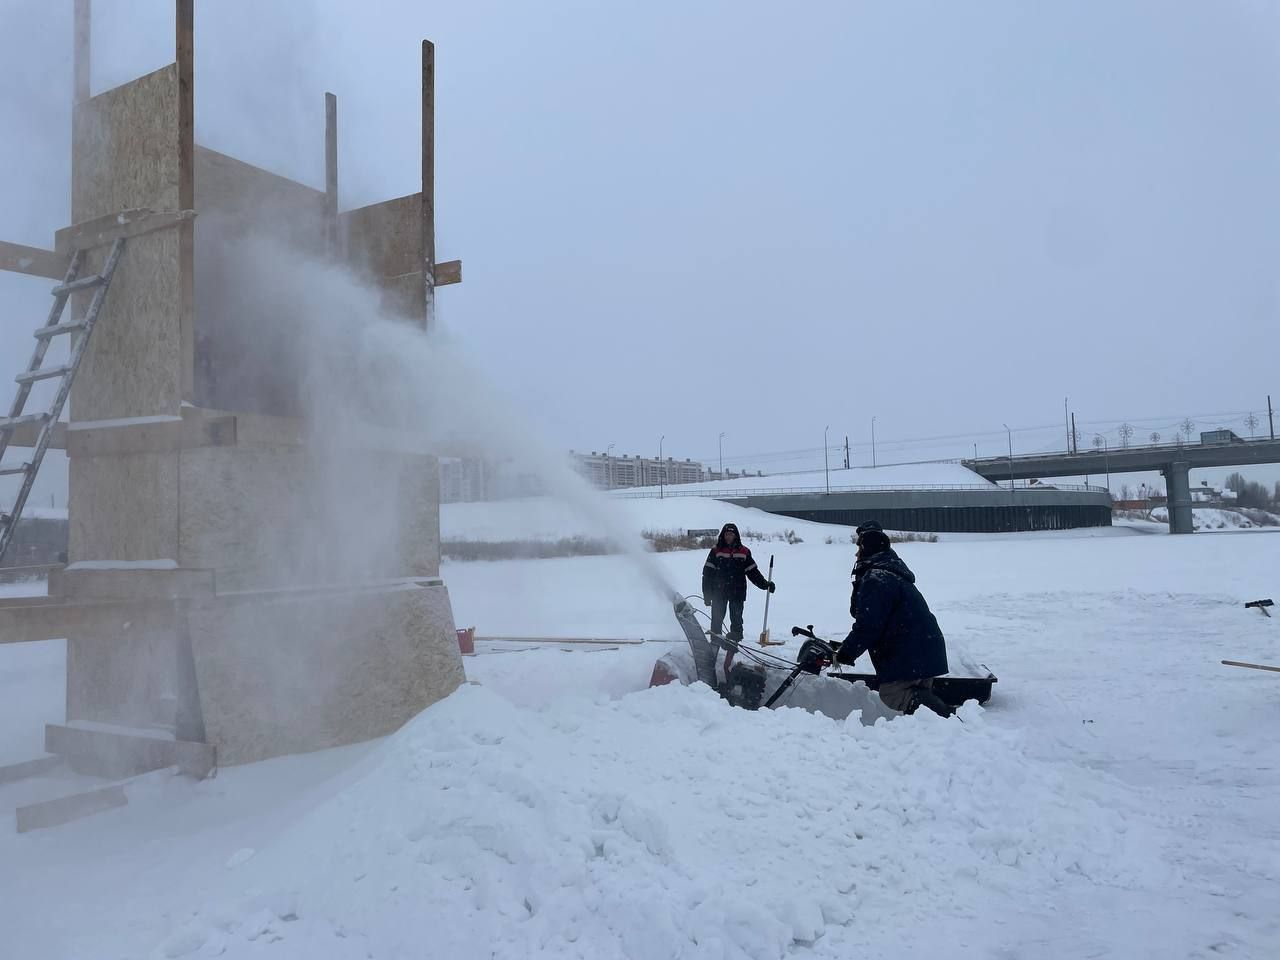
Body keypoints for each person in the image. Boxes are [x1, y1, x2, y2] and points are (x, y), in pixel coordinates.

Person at [835, 521, 955, 718]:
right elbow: (861, 613)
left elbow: (869, 625)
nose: (856, 554)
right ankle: (939, 729)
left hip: (909, 650)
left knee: (894, 694)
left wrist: (846, 653)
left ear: (868, 548)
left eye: (859, 548)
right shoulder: (887, 571)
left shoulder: (877, 578)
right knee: (917, 705)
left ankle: (947, 719)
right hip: (922, 647)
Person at [701, 522, 775, 642]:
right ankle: (714, 643)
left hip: (737, 592)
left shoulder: (744, 552)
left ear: (736, 536)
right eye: (726, 534)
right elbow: (707, 575)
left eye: (731, 534)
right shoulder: (715, 551)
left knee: (736, 619)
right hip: (719, 592)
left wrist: (765, 584)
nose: (728, 537)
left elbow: (753, 572)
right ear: (723, 535)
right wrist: (707, 594)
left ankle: (734, 643)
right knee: (716, 620)